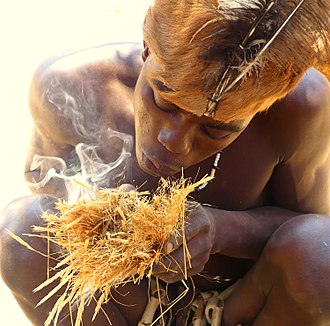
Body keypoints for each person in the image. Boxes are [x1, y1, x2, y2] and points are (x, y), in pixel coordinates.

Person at [1, 0, 330, 325]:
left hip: (238, 307)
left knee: (320, 251)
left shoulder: (300, 108)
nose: (172, 141)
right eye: (162, 100)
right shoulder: (71, 83)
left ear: (265, 106)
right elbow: (45, 181)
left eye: (215, 129)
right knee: (21, 228)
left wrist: (220, 230)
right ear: (147, 49)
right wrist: (97, 212)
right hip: (122, 303)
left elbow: (309, 226)